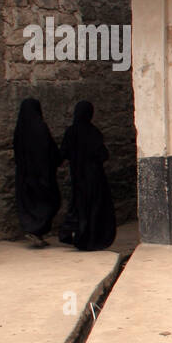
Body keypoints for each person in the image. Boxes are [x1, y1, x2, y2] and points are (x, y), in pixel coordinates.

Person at [58, 101, 116, 251]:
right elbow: (103, 155)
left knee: (79, 206)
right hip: (95, 177)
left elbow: (63, 153)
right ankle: (93, 239)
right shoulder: (94, 132)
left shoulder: (71, 132)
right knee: (94, 207)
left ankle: (79, 236)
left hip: (78, 176)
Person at [12, 98, 61, 247]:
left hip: (24, 174)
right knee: (50, 202)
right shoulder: (40, 128)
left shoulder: (20, 129)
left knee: (29, 203)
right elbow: (49, 150)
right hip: (42, 174)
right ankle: (36, 231)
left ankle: (34, 231)